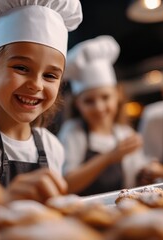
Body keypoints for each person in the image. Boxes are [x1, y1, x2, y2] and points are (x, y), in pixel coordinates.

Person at [0, 0, 83, 202]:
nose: (36, 85)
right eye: (21, 68)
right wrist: (5, 200)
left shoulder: (52, 146)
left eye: (50, 76)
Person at [58, 36, 147, 196]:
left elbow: (137, 174)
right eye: (89, 101)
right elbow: (67, 184)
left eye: (105, 98)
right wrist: (109, 157)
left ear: (117, 96)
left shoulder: (125, 133)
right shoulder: (73, 132)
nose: (99, 108)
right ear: (78, 104)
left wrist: (151, 170)